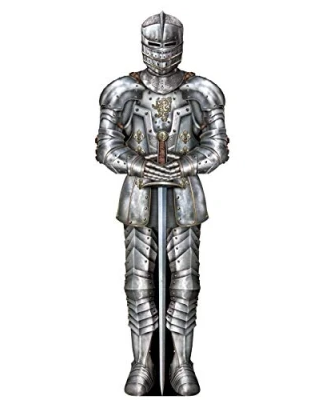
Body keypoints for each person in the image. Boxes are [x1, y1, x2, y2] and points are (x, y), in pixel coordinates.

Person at [96, 11, 229, 396]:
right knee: (138, 284)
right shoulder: (121, 91)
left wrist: (184, 165)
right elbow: (106, 146)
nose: (161, 52)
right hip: (138, 195)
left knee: (185, 284)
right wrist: (139, 164)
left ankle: (180, 363)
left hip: (185, 194)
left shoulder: (202, 92)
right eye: (154, 44)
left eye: (168, 44)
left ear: (181, 45)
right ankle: (142, 362)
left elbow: (217, 146)